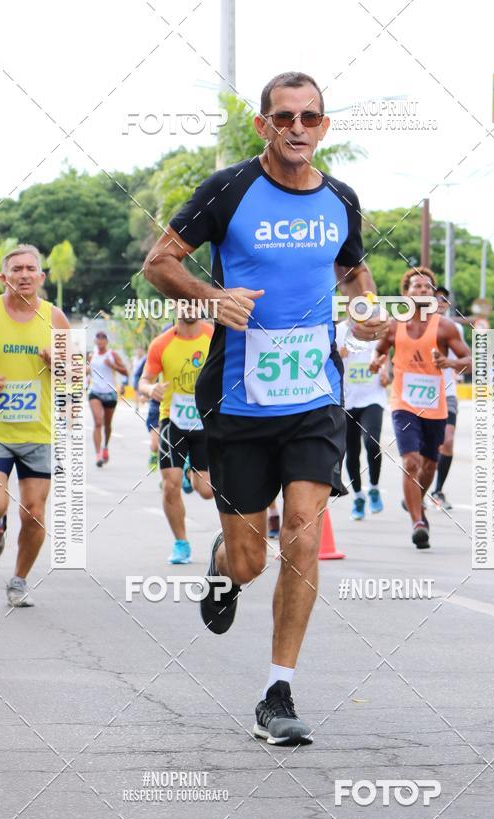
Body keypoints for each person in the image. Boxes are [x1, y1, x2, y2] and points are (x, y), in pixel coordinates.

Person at [144, 71, 386, 745]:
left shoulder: (341, 197)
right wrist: (208, 296)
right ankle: (226, 564)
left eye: (310, 117)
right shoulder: (228, 190)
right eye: (285, 117)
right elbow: (159, 262)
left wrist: (365, 310)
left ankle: (277, 690)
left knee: (303, 530)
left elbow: (352, 268)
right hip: (239, 396)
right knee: (252, 560)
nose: (298, 128)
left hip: (313, 392)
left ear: (324, 126)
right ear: (263, 126)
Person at [0, 244, 70, 606]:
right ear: (4, 277)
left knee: (34, 512)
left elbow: (75, 377)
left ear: (41, 277)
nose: (24, 274)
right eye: (16, 269)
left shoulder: (56, 318)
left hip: (38, 433)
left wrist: (58, 364)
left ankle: (18, 581)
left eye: (31, 269)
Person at [371, 267, 471, 549]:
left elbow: (469, 358)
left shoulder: (445, 327)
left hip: (435, 405)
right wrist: (378, 362)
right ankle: (417, 521)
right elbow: (380, 350)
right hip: (403, 403)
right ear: (406, 293)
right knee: (411, 461)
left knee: (429, 465)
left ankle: (415, 499)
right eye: (416, 286)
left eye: (428, 288)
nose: (423, 291)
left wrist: (450, 363)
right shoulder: (393, 325)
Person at [139, 313, 214, 564]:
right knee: (170, 483)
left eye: (193, 299)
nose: (189, 306)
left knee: (205, 491)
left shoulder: (213, 336)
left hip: (207, 421)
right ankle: (181, 543)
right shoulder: (161, 343)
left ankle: (192, 470)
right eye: (183, 301)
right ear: (174, 305)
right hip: (173, 421)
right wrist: (151, 389)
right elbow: (143, 380)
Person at [336, 317, 388, 520]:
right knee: (352, 451)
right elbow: (326, 360)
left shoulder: (377, 328)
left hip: (372, 396)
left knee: (372, 442)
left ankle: (374, 488)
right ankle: (358, 496)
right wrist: (339, 355)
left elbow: (383, 355)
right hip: (347, 399)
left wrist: (384, 372)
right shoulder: (338, 330)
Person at [431, 286, 464, 511]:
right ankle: (418, 491)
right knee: (425, 449)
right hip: (421, 395)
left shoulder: (455, 329)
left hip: (448, 392)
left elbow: (465, 360)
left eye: (444, 299)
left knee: (448, 440)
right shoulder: (417, 326)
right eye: (436, 299)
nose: (441, 302)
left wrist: (453, 366)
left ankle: (438, 490)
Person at [87, 331, 128, 467]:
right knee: (98, 422)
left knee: (107, 425)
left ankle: (105, 447)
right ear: (95, 342)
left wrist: (113, 366)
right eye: (98, 340)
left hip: (110, 393)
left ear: (106, 341)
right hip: (95, 392)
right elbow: (88, 372)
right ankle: (98, 454)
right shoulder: (92, 356)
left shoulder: (112, 355)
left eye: (103, 339)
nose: (100, 342)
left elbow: (125, 372)